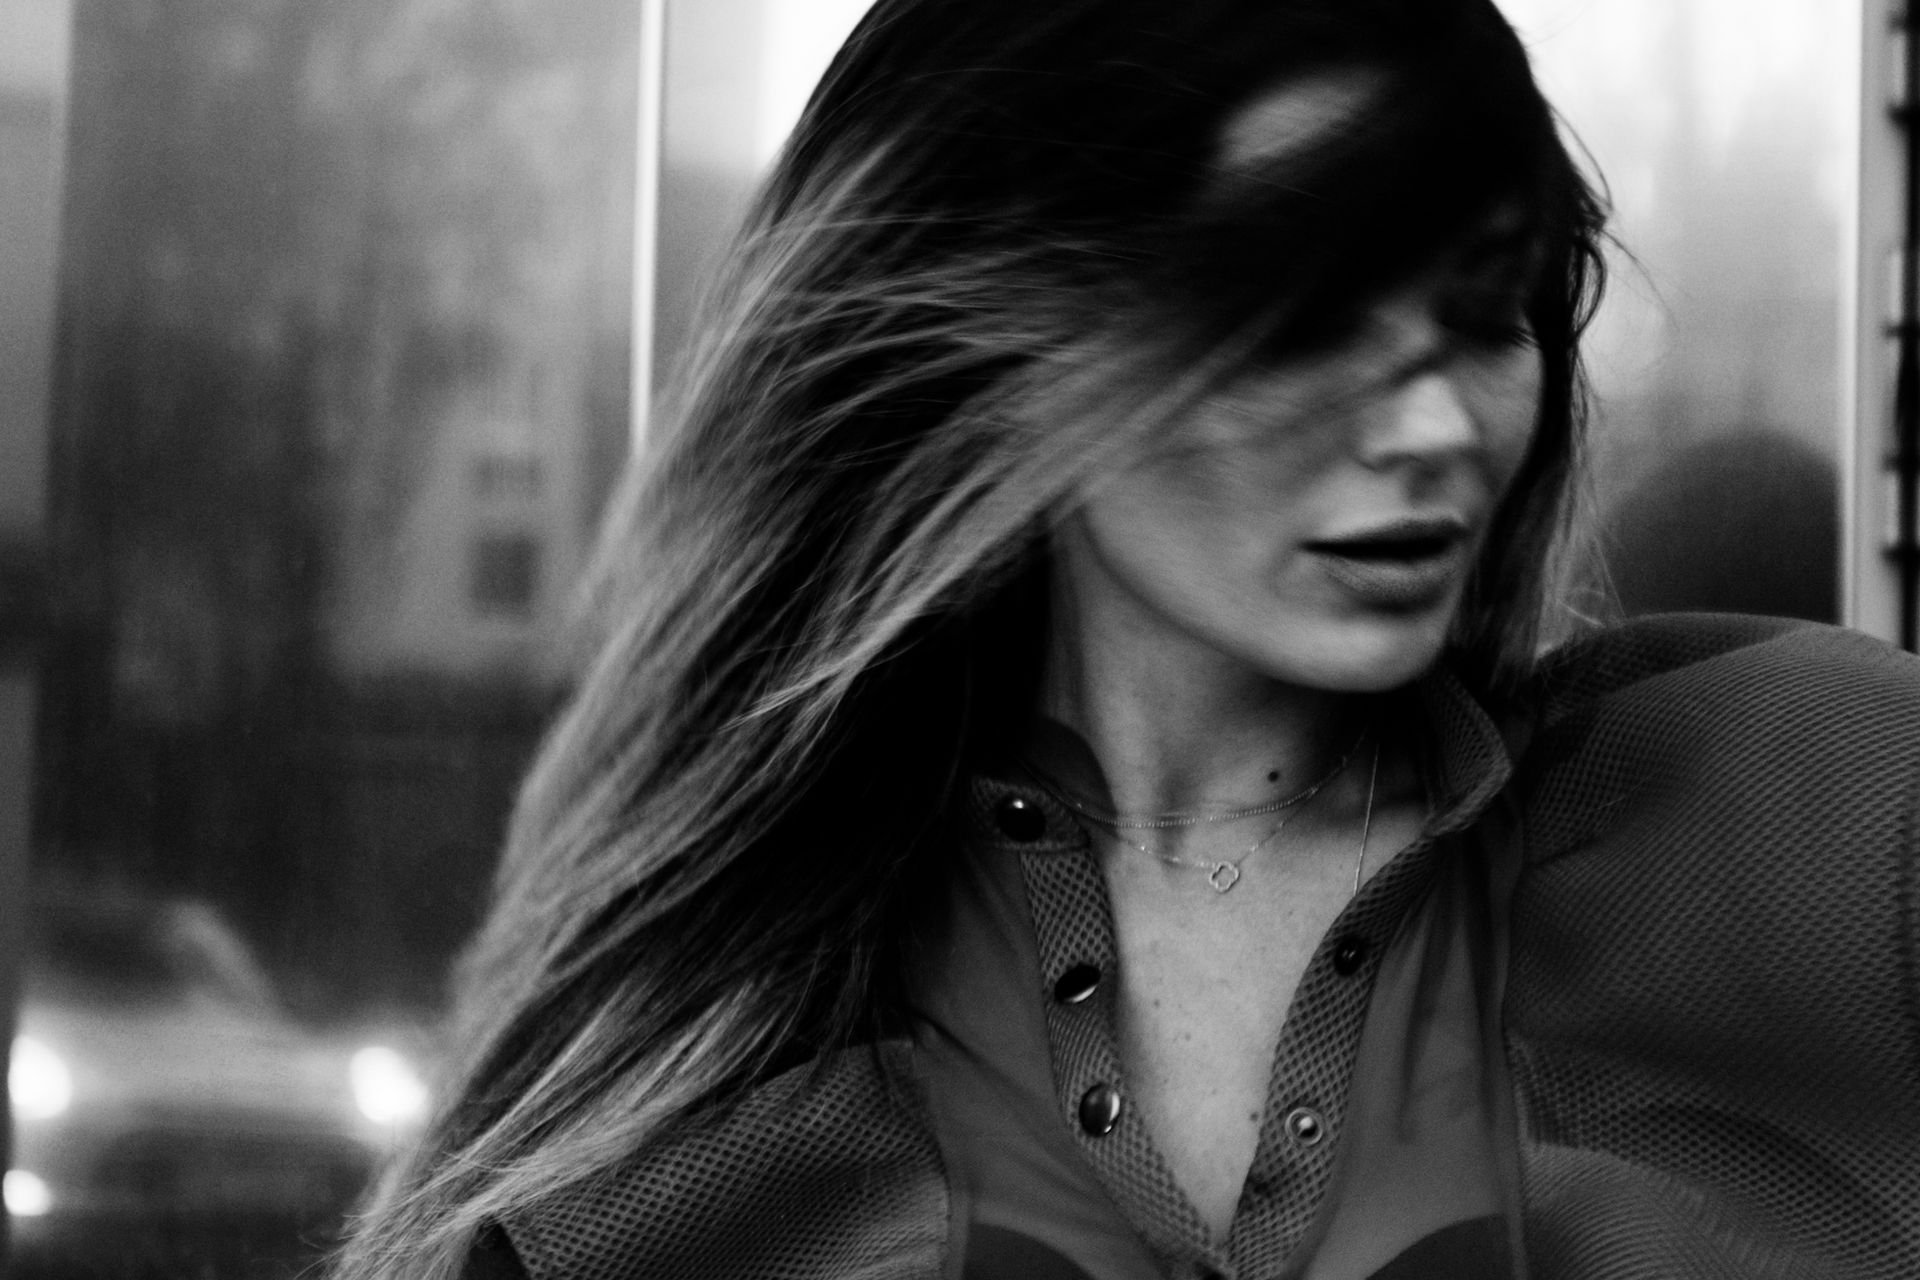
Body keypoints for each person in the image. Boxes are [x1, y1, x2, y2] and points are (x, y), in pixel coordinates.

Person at [335, 1, 1920, 1277]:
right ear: (1011, 334)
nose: (1435, 424)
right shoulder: (687, 1129)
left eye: (1486, 307)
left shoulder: (1828, 816)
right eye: (1296, 313)